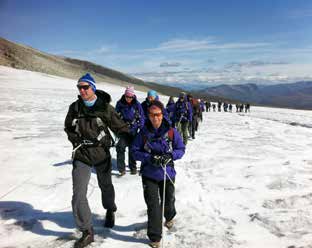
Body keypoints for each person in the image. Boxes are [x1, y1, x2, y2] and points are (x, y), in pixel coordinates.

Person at [64, 73, 129, 248]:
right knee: (78, 194)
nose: (82, 90)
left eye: (86, 87)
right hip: (82, 154)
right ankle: (87, 231)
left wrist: (133, 142)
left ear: (93, 88)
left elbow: (120, 127)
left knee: (105, 185)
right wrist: (75, 140)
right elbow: (68, 126)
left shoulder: (105, 108)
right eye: (79, 87)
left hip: (101, 153)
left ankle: (110, 209)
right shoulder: (75, 107)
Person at [131, 101, 185, 248]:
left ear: (162, 114)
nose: (155, 118)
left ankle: (169, 216)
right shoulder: (143, 133)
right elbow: (135, 151)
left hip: (167, 172)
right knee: (154, 206)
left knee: (168, 201)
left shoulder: (172, 131)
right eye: (152, 115)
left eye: (158, 114)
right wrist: (149, 157)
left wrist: (171, 155)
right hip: (149, 174)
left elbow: (181, 148)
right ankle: (155, 237)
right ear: (148, 116)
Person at [115, 86, 144, 176]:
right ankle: (121, 169)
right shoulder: (120, 103)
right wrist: (117, 125)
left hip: (134, 130)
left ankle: (133, 168)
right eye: (127, 96)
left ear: (133, 96)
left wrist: (140, 126)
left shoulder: (137, 104)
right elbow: (115, 116)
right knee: (120, 147)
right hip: (123, 130)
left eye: (130, 97)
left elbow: (142, 117)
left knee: (132, 149)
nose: (129, 99)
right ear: (125, 95)